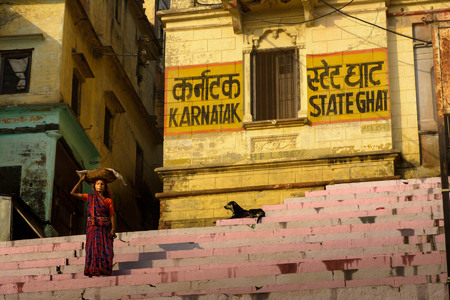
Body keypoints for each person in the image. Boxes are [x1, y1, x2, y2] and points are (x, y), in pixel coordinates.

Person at [71, 174, 116, 277]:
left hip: (105, 227)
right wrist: (80, 181)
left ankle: (104, 269)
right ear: (94, 186)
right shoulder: (90, 197)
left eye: (102, 184)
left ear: (105, 187)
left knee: (105, 248)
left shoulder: (108, 201)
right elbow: (72, 193)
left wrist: (113, 228)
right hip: (93, 227)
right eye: (97, 184)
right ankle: (93, 268)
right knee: (93, 248)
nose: (100, 186)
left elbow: (112, 215)